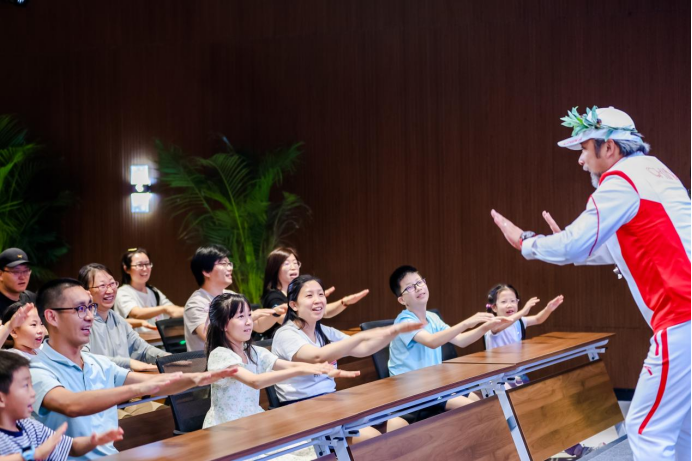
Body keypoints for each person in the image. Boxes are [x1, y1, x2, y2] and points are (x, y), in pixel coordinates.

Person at [491, 106, 691, 461]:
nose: (581, 160)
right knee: (680, 430)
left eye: (585, 149)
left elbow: (574, 244)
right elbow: (623, 246)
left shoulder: (620, 182)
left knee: (645, 430)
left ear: (609, 147)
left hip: (681, 319)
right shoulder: (656, 171)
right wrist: (573, 248)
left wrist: (527, 242)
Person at [29, 278, 238, 460]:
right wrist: (138, 388)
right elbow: (71, 405)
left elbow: (155, 384)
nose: (90, 316)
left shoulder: (97, 363)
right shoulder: (36, 368)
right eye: (79, 309)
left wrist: (199, 378)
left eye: (90, 307)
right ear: (52, 317)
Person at [203, 292, 358, 461]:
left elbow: (289, 365)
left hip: (253, 425)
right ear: (223, 325)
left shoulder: (253, 352)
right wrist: (303, 370)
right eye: (241, 317)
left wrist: (320, 368)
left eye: (249, 315)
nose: (248, 322)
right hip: (229, 433)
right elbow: (255, 382)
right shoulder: (220, 355)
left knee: (312, 449)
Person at [272, 275, 420, 443]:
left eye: (320, 294)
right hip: (301, 410)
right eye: (309, 295)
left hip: (331, 403)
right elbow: (317, 356)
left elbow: (364, 349)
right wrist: (361, 336)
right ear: (294, 305)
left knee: (399, 425)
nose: (318, 300)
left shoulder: (324, 331)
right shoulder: (286, 334)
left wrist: (394, 331)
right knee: (370, 439)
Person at [387, 265, 506, 412]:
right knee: (475, 409)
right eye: (410, 287)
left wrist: (486, 327)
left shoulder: (432, 317)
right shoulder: (404, 321)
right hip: (412, 392)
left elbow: (461, 340)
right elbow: (431, 341)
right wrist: (466, 323)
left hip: (434, 386)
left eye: (419, 282)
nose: (418, 288)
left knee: (480, 401)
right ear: (401, 300)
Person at [0, 352, 124, 461]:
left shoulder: (30, 426)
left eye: (31, 385)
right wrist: (34, 454)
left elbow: (72, 447)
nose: (33, 393)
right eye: (25, 386)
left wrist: (93, 441)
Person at [185, 245, 284, 352]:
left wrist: (276, 313)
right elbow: (210, 336)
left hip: (237, 355)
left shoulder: (231, 295)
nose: (230, 268)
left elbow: (259, 326)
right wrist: (250, 316)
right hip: (209, 359)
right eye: (223, 264)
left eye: (229, 264)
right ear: (206, 271)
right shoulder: (196, 303)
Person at [260, 247, 369, 338]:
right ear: (275, 268)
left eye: (295, 263)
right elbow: (285, 319)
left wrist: (344, 302)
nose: (293, 267)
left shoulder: (297, 292)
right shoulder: (273, 296)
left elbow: (322, 312)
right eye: (287, 263)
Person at [78, 264, 168, 371]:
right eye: (102, 286)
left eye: (112, 284)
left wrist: (169, 358)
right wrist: (129, 363)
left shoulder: (118, 319)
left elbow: (143, 349)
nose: (110, 291)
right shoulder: (82, 322)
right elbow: (85, 358)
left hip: (127, 379)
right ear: (86, 291)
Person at [114, 248, 184, 331]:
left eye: (147, 264)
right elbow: (136, 313)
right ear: (126, 269)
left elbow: (172, 310)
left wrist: (191, 310)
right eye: (139, 265)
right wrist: (164, 309)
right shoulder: (122, 292)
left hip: (156, 338)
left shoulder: (153, 291)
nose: (145, 268)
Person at [484, 284, 564, 351]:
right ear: (494, 307)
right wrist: (523, 312)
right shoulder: (492, 322)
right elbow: (498, 327)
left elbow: (537, 319)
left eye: (513, 301)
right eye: (504, 302)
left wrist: (548, 309)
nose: (509, 305)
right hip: (499, 365)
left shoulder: (519, 321)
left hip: (517, 364)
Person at [0, 249, 36, 320]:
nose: (22, 277)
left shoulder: (31, 298)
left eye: (26, 271)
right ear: (1, 274)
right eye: (16, 272)